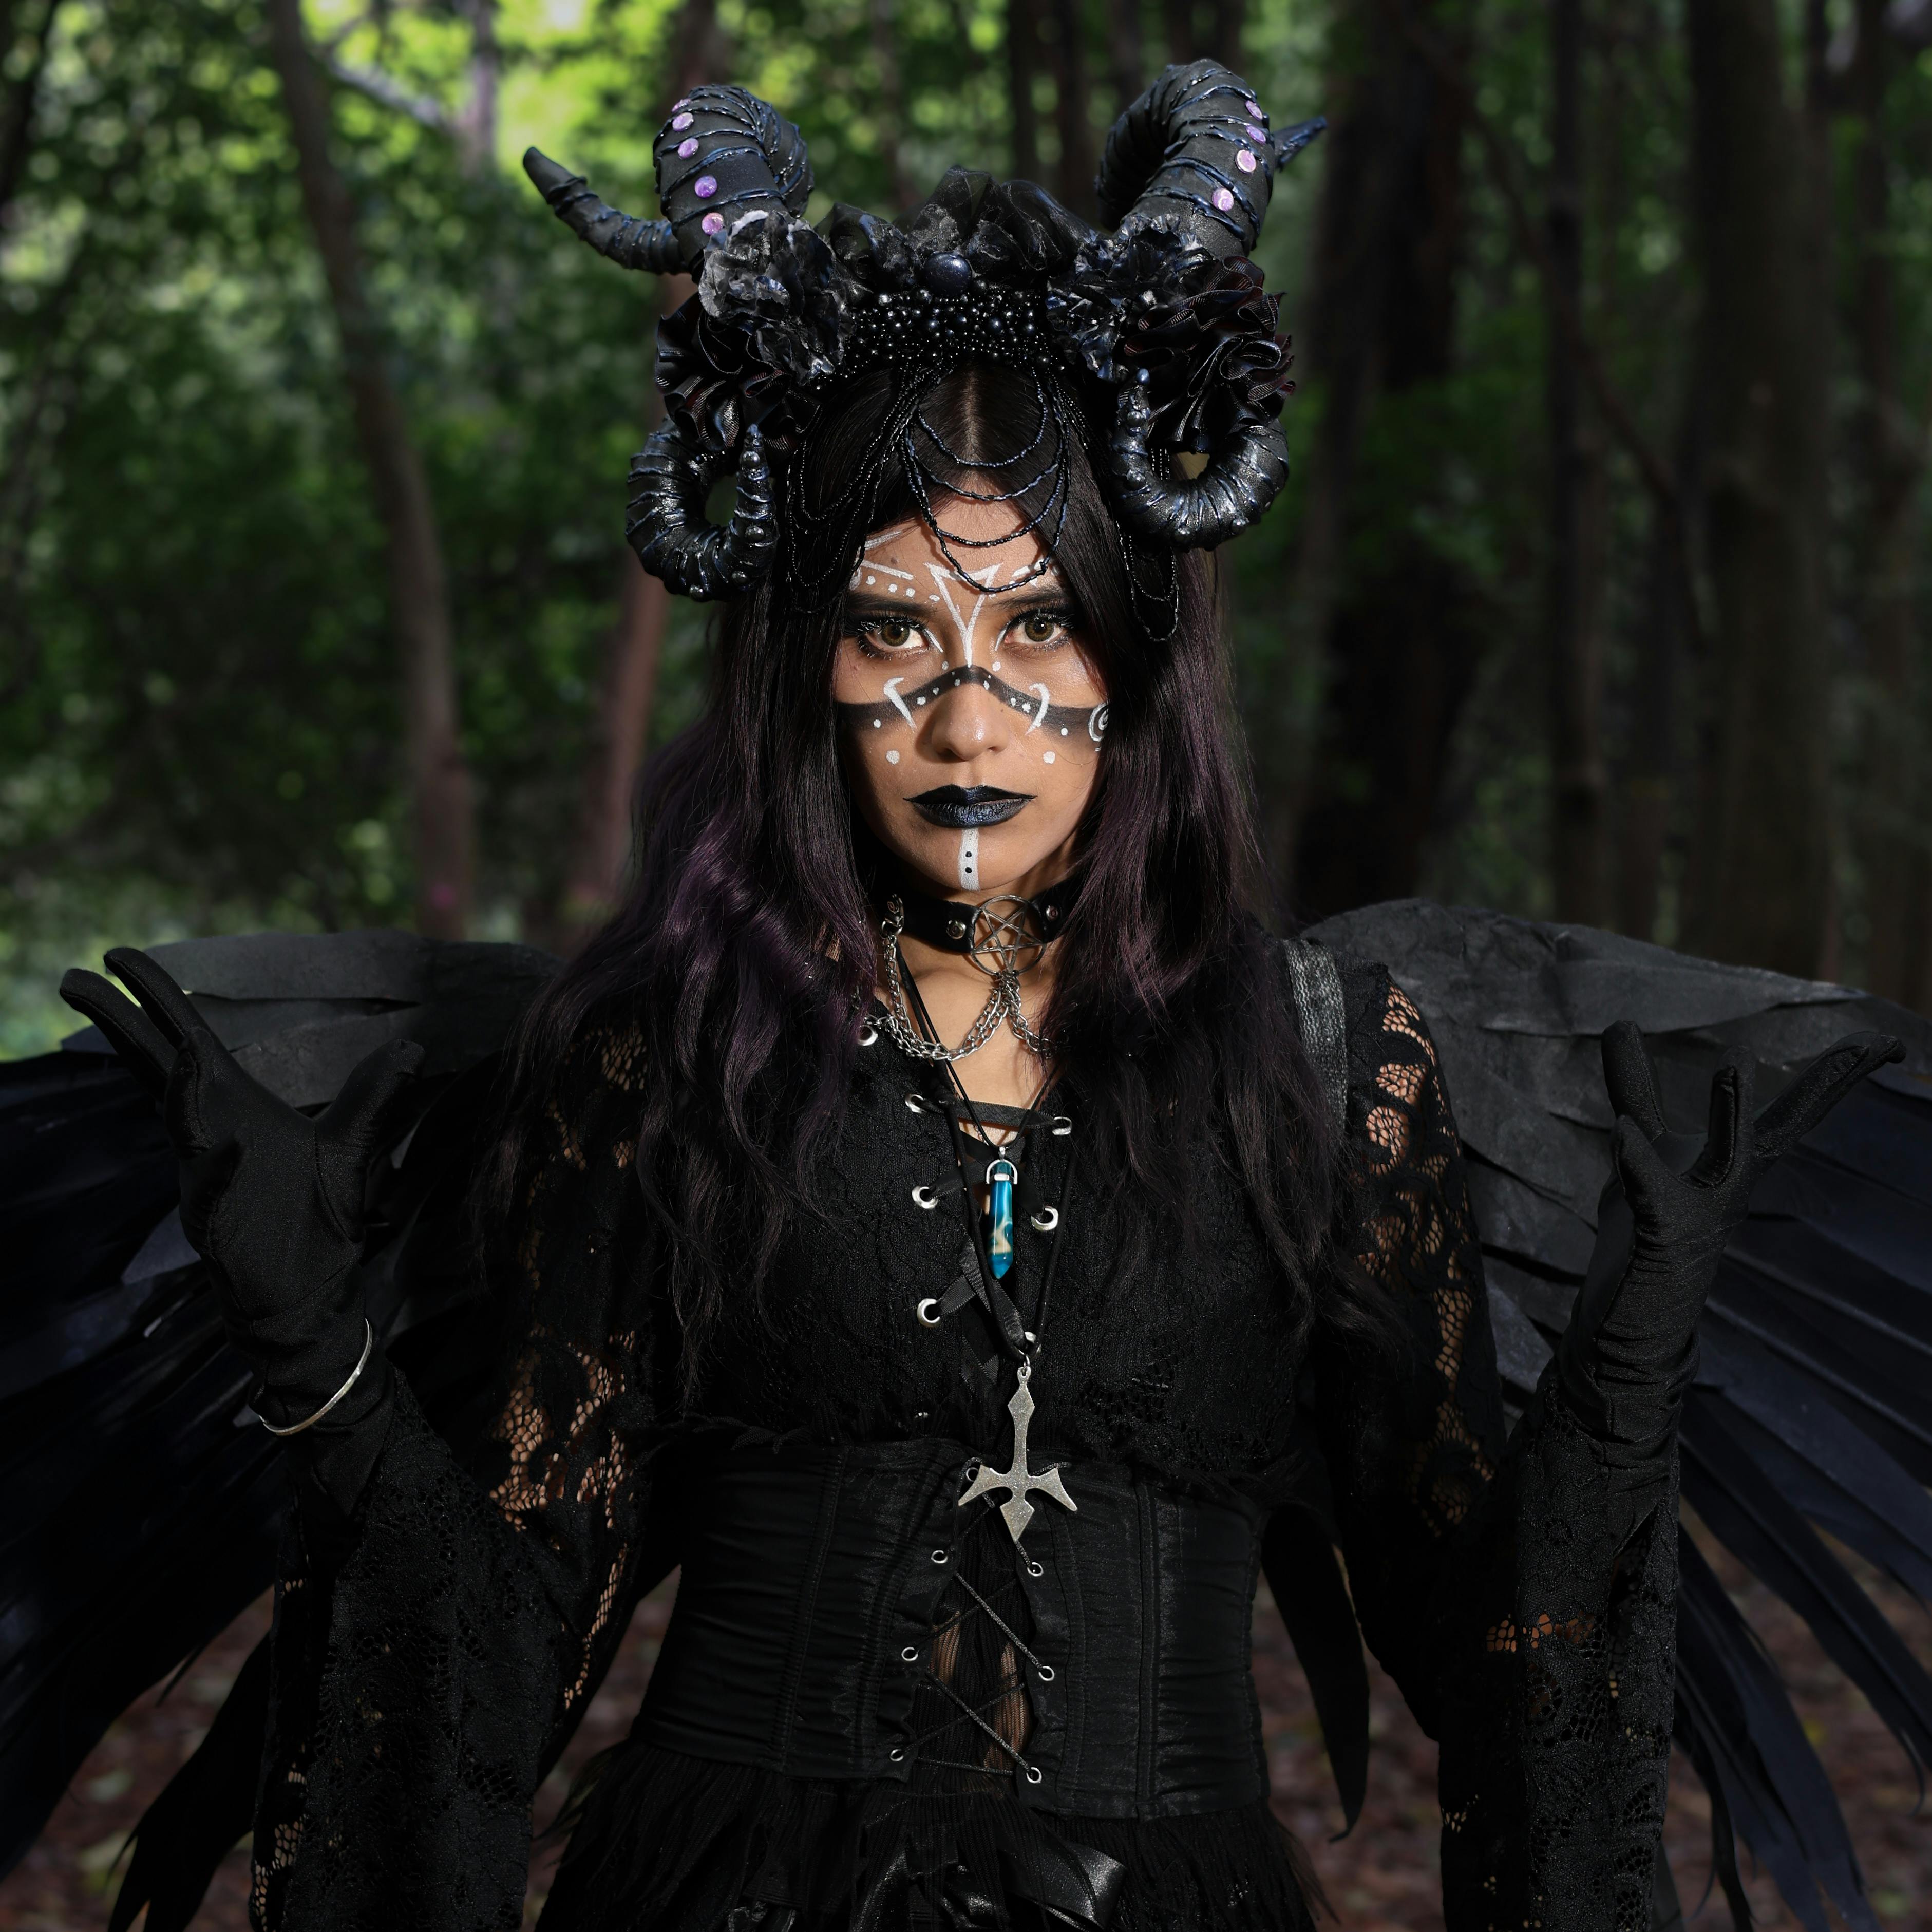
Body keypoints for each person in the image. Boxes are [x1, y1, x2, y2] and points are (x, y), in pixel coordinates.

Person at [59, 65, 1898, 1932]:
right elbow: (506, 1632)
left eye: (1034, 626)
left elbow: (1487, 1651)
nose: (967, 721)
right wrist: (325, 1366)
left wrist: (1616, 1387)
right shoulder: (665, 1055)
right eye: (892, 628)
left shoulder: (1329, 1072)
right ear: (807, 668)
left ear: (1133, 657)